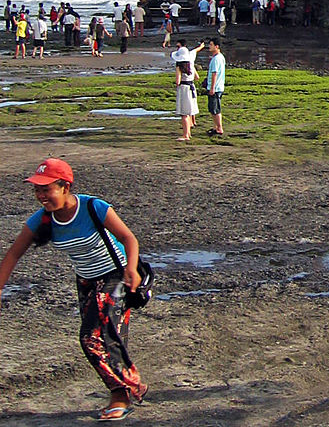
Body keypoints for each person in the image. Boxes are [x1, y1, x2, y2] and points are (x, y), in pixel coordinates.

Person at [0, 158, 148, 420]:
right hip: (86, 282)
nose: (41, 195)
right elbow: (12, 255)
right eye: (37, 190)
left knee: (91, 337)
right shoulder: (42, 220)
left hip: (116, 276)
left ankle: (123, 392)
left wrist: (132, 269)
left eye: (47, 189)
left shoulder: (93, 207)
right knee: (110, 338)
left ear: (65, 186)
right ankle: (126, 390)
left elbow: (128, 238)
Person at [172, 48, 200, 141]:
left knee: (184, 113)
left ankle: (185, 135)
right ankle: (188, 133)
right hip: (191, 86)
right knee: (189, 112)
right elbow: (197, 77)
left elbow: (177, 81)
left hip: (184, 88)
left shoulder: (179, 66)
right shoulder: (191, 64)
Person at [204, 37, 226, 136]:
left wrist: (212, 87)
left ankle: (219, 128)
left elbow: (214, 73)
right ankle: (216, 127)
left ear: (216, 46)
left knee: (215, 109)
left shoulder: (217, 58)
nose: (209, 46)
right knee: (213, 108)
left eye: (211, 45)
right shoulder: (218, 57)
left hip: (216, 88)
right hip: (217, 86)